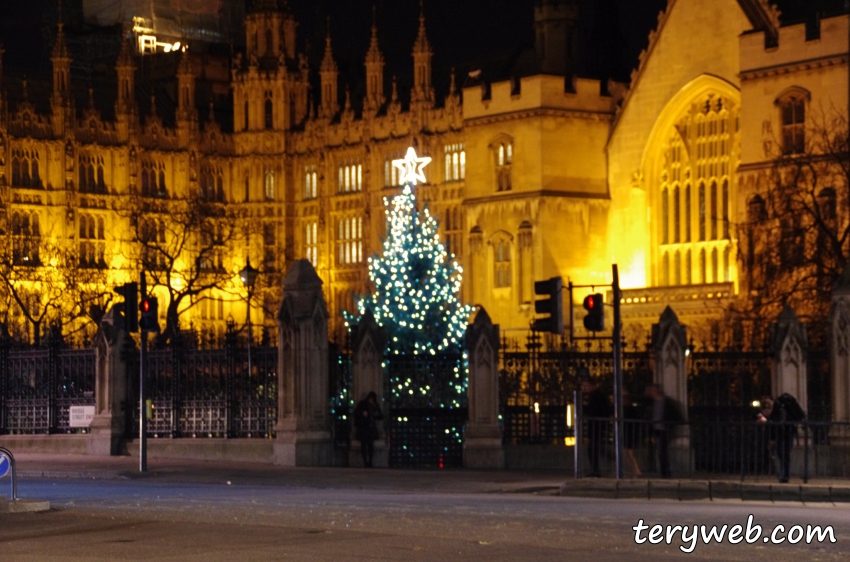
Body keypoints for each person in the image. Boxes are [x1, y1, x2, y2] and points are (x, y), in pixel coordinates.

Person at [645, 384, 683, 479]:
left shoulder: (668, 402)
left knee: (662, 452)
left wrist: (670, 426)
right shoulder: (652, 402)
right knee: (657, 451)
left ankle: (665, 472)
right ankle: (656, 469)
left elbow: (677, 416)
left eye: (652, 390)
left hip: (665, 430)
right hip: (656, 430)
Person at [756, 395, 794, 483]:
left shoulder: (780, 410)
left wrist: (767, 421)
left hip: (786, 434)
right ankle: (783, 475)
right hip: (780, 435)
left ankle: (785, 475)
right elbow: (772, 428)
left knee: (784, 454)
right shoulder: (773, 412)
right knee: (781, 454)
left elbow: (780, 423)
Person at [581, 378, 611, 477]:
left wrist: (586, 411)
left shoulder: (597, 396)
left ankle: (595, 469)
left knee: (593, 449)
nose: (585, 388)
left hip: (596, 426)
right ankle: (595, 469)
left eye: (587, 386)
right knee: (594, 448)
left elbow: (596, 410)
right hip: (596, 426)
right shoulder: (595, 396)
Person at [353, 391, 383, 468]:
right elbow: (356, 413)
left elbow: (381, 416)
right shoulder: (363, 404)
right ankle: (365, 461)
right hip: (363, 427)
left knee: (370, 445)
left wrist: (376, 415)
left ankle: (369, 461)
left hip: (370, 427)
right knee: (364, 445)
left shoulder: (375, 405)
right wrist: (363, 414)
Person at [622, 389, 642, 478]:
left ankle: (636, 470)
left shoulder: (629, 409)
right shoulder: (628, 409)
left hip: (629, 432)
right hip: (628, 432)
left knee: (628, 453)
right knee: (628, 453)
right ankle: (635, 470)